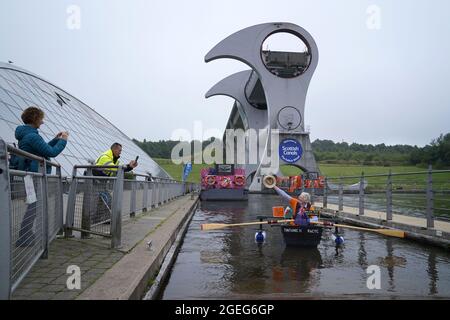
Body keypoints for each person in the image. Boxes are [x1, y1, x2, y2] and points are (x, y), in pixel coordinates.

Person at [12, 106, 68, 247]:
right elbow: (51, 152)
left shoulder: (27, 135)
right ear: (35, 118)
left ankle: (26, 234)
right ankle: (24, 236)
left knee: (34, 205)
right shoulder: (32, 136)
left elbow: (42, 148)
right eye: (41, 119)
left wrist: (55, 139)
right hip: (35, 175)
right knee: (34, 206)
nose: (42, 122)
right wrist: (63, 141)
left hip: (31, 175)